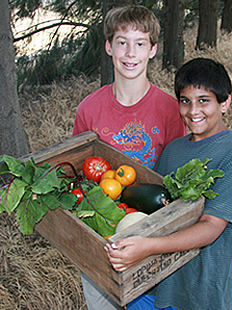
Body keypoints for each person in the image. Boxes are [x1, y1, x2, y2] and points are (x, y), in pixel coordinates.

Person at [105, 58, 232, 310]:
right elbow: (152, 208)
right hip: (151, 285)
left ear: (225, 103)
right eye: (185, 101)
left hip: (197, 294)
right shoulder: (174, 149)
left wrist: (147, 247)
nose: (193, 110)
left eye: (204, 101)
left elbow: (210, 227)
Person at [72, 5, 186, 310]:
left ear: (153, 50)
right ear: (109, 47)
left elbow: (175, 180)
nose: (130, 52)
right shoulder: (89, 109)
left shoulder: (169, 110)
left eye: (140, 43)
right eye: (122, 42)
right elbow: (79, 177)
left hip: (152, 236)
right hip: (103, 238)